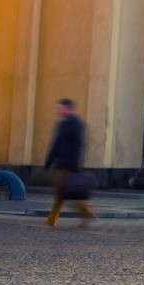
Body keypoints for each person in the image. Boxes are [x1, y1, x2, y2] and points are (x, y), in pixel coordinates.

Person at [44, 97, 93, 229]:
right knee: (62, 193)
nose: (59, 111)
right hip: (61, 163)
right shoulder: (62, 124)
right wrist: (49, 161)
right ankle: (52, 219)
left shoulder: (77, 124)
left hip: (69, 166)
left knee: (64, 194)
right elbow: (56, 144)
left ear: (69, 109)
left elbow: (78, 146)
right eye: (58, 108)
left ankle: (53, 219)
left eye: (61, 108)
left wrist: (75, 167)